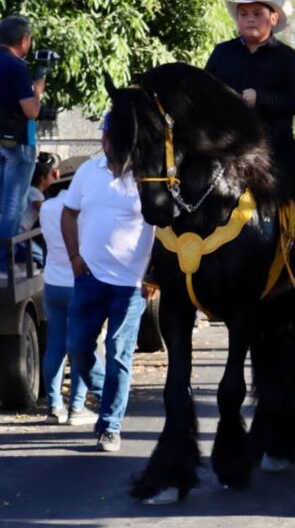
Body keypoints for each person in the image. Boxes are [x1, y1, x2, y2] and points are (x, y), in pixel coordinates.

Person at [205, 0, 295, 301]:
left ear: (273, 18)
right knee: (183, 183)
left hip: (275, 147)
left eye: (257, 13)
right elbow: (204, 93)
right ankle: (165, 265)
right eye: (244, 13)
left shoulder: (288, 58)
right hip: (227, 146)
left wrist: (260, 99)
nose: (249, 19)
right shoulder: (221, 54)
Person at [62, 122, 155, 452]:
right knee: (77, 346)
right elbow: (69, 213)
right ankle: (108, 396)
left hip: (130, 285)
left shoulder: (147, 174)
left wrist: (152, 276)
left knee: (119, 353)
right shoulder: (88, 171)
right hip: (89, 278)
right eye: (106, 134)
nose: (108, 141)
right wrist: (74, 255)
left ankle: (110, 426)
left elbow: (163, 225)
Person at [40, 156, 104, 425]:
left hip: (52, 283)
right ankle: (76, 407)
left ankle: (54, 405)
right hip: (80, 283)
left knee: (54, 345)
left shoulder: (46, 207)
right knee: (81, 345)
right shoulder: (85, 208)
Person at [0, 16, 44, 266]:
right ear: (24, 40)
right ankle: (3, 261)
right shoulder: (16, 66)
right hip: (18, 144)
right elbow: (32, 111)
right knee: (13, 206)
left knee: (4, 203)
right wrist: (37, 89)